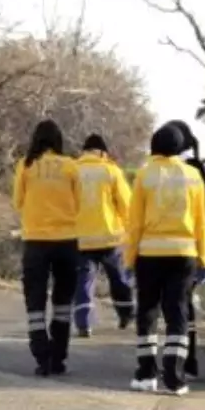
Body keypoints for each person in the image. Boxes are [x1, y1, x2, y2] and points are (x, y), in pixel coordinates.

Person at [125, 124, 205, 395]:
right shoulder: (194, 177)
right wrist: (204, 259)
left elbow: (134, 223)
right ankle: (175, 377)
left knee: (148, 312)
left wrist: (128, 259)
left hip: (149, 255)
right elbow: (201, 224)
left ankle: (146, 373)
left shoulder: (144, 175)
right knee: (177, 313)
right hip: (184, 255)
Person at [13, 119, 81, 376]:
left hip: (36, 242)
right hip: (67, 241)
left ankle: (41, 355)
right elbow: (80, 202)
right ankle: (59, 356)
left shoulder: (26, 166)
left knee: (35, 301)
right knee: (63, 302)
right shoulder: (71, 167)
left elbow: (19, 201)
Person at [72, 133, 134, 337]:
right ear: (101, 152)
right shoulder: (111, 171)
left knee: (84, 281)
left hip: (81, 238)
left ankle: (84, 324)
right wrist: (131, 229)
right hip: (110, 238)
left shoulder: (72, 171)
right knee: (118, 278)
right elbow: (126, 204)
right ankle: (126, 313)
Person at [167, 119, 205, 380]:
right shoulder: (198, 169)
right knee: (185, 304)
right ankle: (190, 358)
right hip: (194, 246)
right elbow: (202, 216)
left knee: (173, 306)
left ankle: (177, 358)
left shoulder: (170, 170)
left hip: (169, 247)